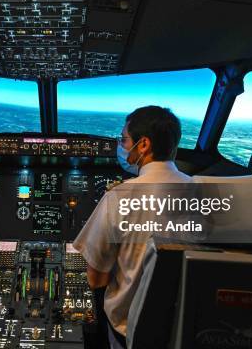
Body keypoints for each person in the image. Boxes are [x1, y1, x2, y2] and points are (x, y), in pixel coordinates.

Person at [72, 106, 193, 348]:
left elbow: (96, 279)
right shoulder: (206, 193)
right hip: (185, 331)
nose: (121, 145)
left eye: (124, 140)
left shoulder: (120, 197)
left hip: (129, 332)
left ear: (144, 145)